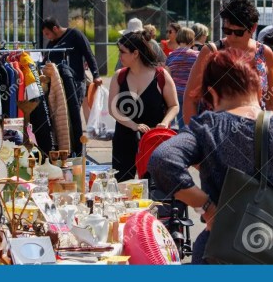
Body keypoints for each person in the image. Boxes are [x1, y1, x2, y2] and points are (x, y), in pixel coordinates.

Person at [149, 49, 273, 264]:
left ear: (212, 94)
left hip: (220, 255)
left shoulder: (208, 128)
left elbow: (162, 159)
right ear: (259, 91)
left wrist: (208, 208)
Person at [182, 0, 273, 124]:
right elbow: (190, 98)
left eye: (238, 32)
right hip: (215, 132)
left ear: (253, 28)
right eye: (227, 30)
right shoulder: (210, 51)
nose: (231, 36)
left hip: (255, 133)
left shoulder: (265, 53)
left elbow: (271, 100)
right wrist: (194, 134)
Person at [108, 31, 179, 181]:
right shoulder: (119, 76)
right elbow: (113, 109)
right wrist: (133, 125)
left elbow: (174, 105)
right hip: (124, 140)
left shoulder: (161, 75)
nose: (119, 56)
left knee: (153, 187)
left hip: (154, 141)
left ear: (135, 54)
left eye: (123, 52)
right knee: (121, 185)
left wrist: (165, 123)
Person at [42, 17, 103, 154]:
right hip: (57, 86)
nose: (47, 37)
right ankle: (64, 149)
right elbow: (45, 60)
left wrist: (96, 75)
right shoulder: (51, 45)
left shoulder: (75, 35)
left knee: (74, 114)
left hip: (76, 82)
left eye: (47, 33)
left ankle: (78, 150)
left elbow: (88, 54)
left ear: (55, 29)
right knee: (62, 118)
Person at [165, 27, 199, 128]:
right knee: (188, 124)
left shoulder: (171, 56)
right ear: (191, 39)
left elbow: (167, 77)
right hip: (191, 93)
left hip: (175, 93)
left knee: (176, 122)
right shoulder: (197, 56)